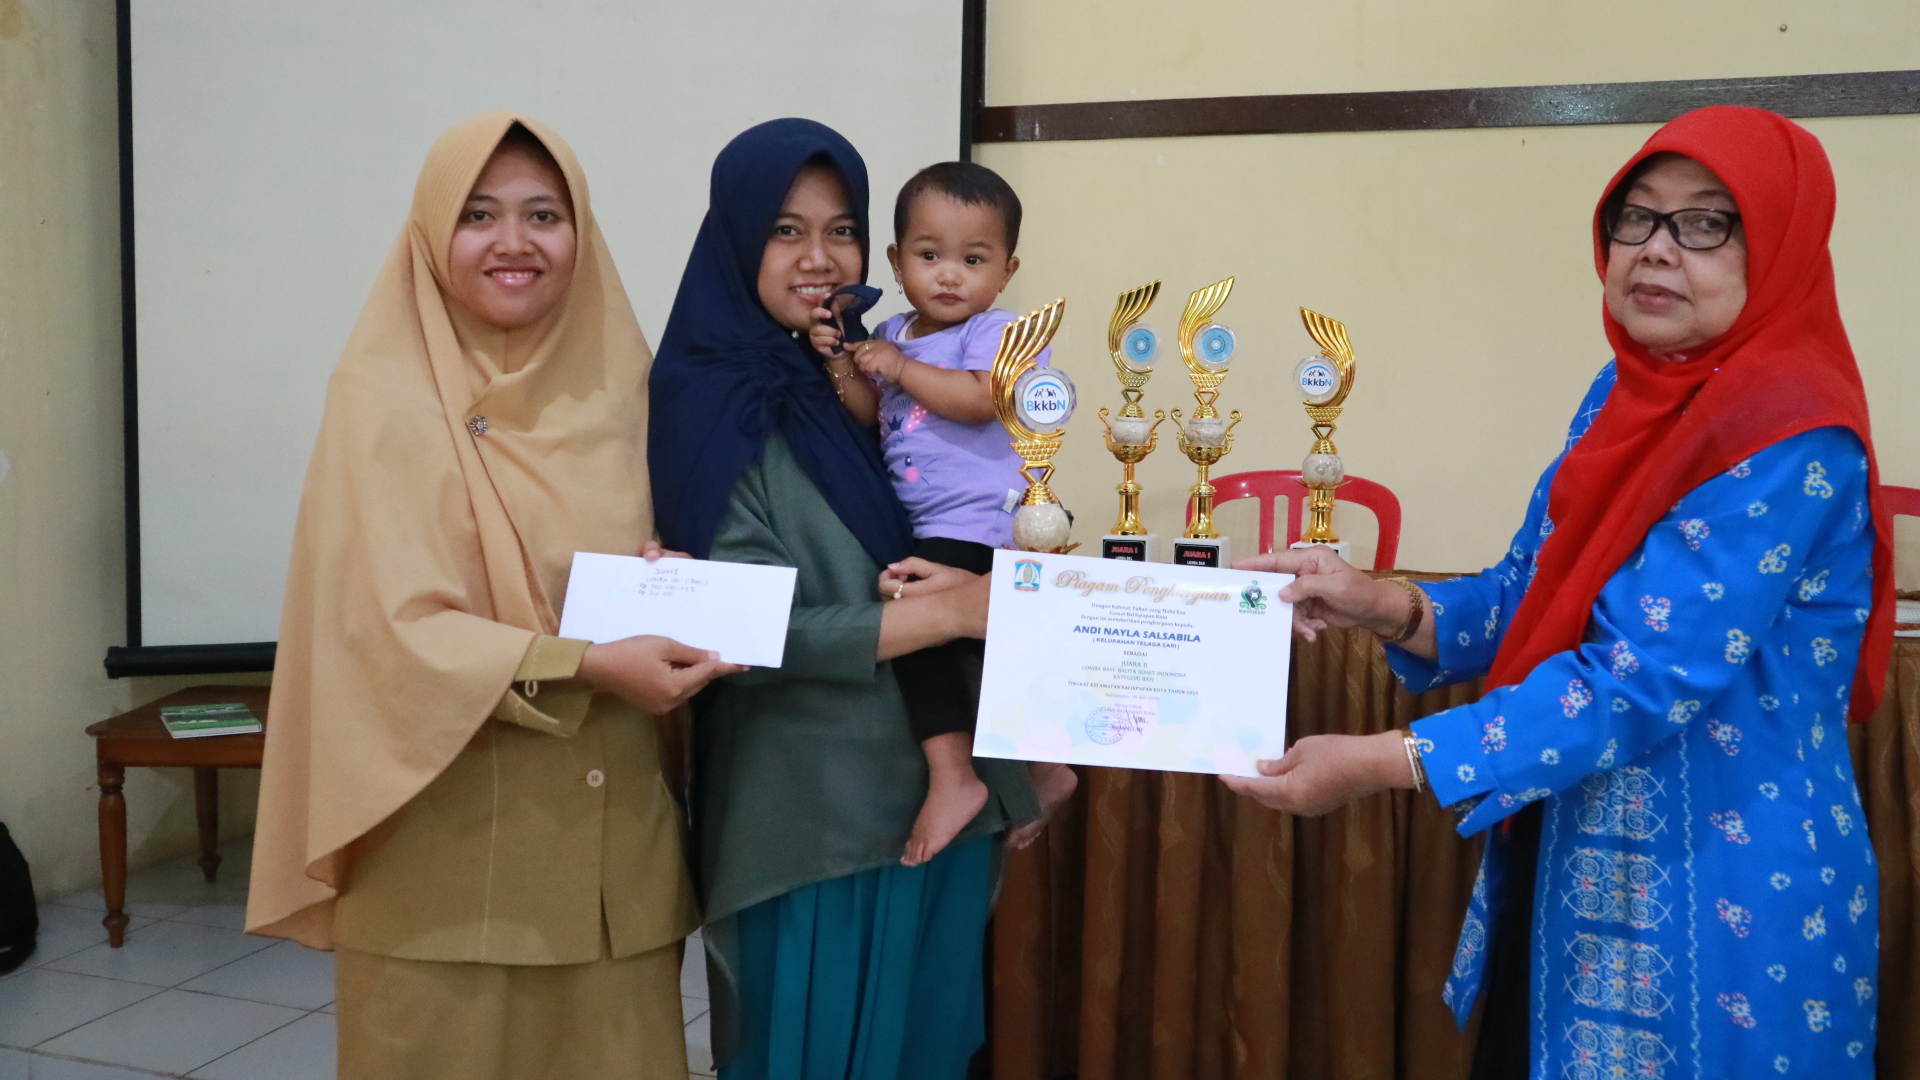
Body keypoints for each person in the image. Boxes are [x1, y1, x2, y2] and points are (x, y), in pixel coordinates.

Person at [1223, 106, 1896, 1079]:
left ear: (1780, 246)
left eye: (1708, 223)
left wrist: (1379, 760)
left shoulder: (1789, 433)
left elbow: (1637, 680)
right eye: (1639, 217)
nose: (1659, 251)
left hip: (1723, 897)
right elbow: (1533, 595)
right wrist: (1385, 602)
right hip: (1579, 860)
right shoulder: (1629, 393)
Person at [245, 112, 740, 1079]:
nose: (514, 243)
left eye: (543, 214)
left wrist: (679, 580)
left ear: (581, 234)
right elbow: (387, 633)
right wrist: (591, 663)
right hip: (444, 876)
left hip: (612, 879)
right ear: (433, 233)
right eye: (479, 214)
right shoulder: (380, 402)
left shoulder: (631, 392)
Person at [649, 119, 1041, 1079]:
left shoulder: (862, 376)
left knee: (923, 1049)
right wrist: (949, 613)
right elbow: (732, 626)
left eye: (842, 230)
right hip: (811, 810)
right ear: (738, 236)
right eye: (786, 231)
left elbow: (950, 527)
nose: (820, 260)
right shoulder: (710, 399)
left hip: (936, 795)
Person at [810, 161, 1078, 866]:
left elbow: (978, 399)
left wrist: (895, 365)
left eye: (973, 259)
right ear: (897, 262)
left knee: (910, 620)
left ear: (1007, 269)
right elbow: (876, 417)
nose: (950, 275)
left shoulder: (1000, 333)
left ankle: (957, 773)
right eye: (930, 256)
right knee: (941, 641)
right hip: (933, 528)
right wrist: (845, 366)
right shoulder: (897, 329)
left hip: (988, 525)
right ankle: (1032, 769)